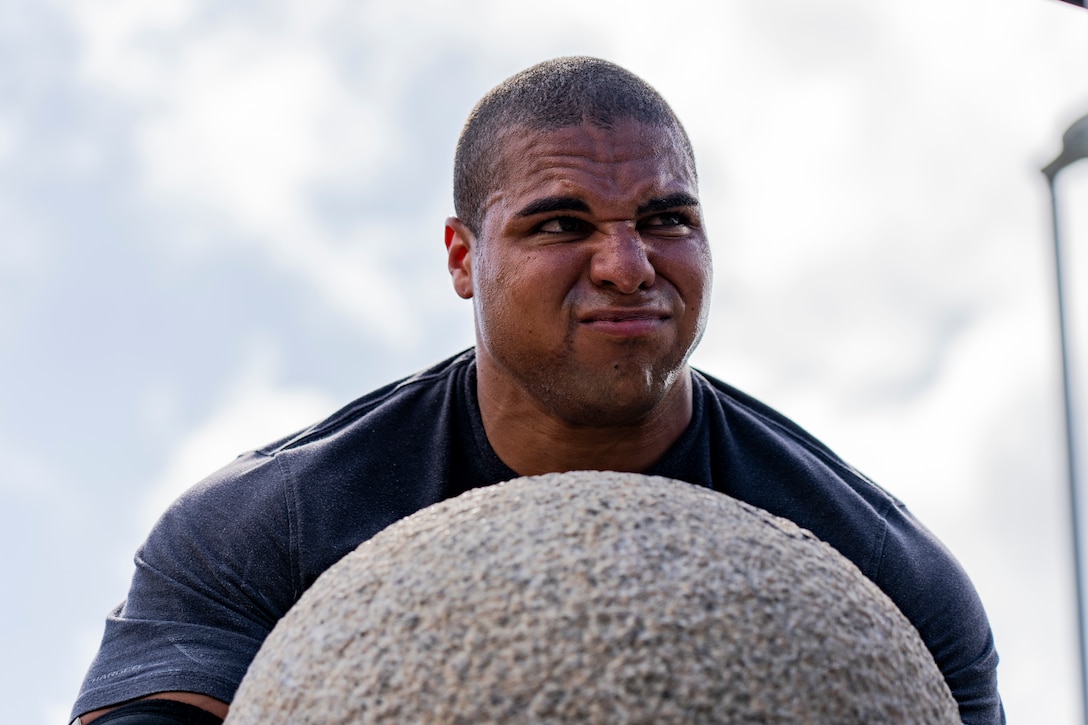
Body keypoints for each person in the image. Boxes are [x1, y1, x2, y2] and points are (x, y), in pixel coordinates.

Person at [72, 57, 1004, 724]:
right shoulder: (265, 526)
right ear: (462, 258)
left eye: (665, 218)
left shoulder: (885, 574)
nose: (629, 264)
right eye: (562, 223)